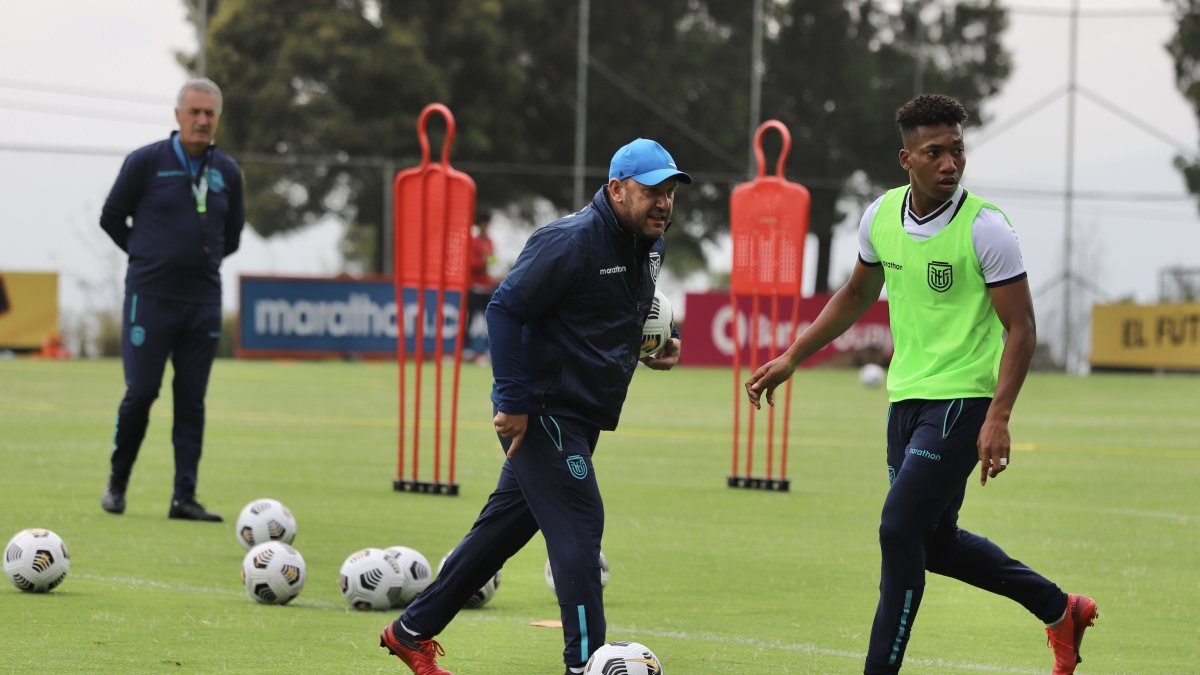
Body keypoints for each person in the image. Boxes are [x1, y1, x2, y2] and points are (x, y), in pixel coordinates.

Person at [744, 94, 1097, 674]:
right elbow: (856, 294)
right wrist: (791, 357)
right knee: (934, 543)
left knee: (898, 527)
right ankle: (1060, 610)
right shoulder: (880, 216)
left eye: (957, 150)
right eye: (934, 152)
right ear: (906, 158)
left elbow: (1022, 329)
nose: (950, 163)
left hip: (963, 399)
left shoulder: (986, 228)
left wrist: (999, 416)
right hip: (905, 400)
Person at [379, 138, 689, 675]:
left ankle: (410, 631)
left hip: (582, 413)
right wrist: (513, 401)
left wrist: (660, 342)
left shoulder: (649, 244)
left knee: (502, 532)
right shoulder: (568, 241)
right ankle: (588, 665)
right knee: (581, 522)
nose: (663, 202)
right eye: (650, 191)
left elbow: (622, 312)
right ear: (616, 190)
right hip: (544, 410)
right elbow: (504, 310)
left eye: (669, 192)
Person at [98, 77, 245, 522]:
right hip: (151, 298)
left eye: (210, 114)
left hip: (202, 302)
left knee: (191, 399)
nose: (202, 120)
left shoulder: (228, 173)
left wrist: (200, 263)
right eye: (194, 112)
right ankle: (118, 481)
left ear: (218, 118)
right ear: (177, 115)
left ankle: (184, 497)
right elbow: (110, 218)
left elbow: (232, 236)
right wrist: (146, 258)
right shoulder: (145, 162)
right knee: (141, 392)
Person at [463, 210, 497, 362]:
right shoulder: (473, 241)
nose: (486, 226)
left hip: (486, 287)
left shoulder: (489, 241)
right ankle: (467, 349)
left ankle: (486, 350)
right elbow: (471, 263)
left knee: (487, 319)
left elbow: (493, 261)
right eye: (483, 223)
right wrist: (483, 261)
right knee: (470, 318)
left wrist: (490, 262)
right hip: (474, 286)